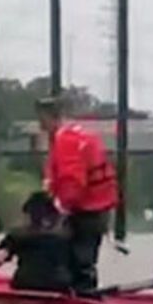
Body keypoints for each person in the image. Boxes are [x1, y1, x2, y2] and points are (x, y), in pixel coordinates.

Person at [36, 97, 118, 293]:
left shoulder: (66, 141)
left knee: (77, 264)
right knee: (85, 262)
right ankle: (84, 297)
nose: (40, 125)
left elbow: (72, 180)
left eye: (41, 119)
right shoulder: (80, 134)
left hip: (84, 212)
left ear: (49, 117)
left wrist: (59, 210)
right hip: (97, 209)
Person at [0, 191, 73, 292]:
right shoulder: (66, 235)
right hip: (57, 284)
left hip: (25, 282)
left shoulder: (20, 234)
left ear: (29, 214)